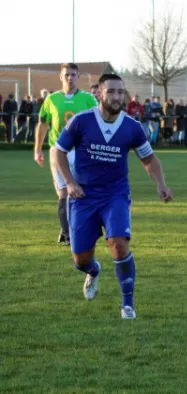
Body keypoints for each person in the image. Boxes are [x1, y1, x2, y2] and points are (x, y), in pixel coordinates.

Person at [51, 73, 173, 319]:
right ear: (100, 94)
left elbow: (148, 158)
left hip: (115, 194)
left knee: (118, 243)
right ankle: (93, 270)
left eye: (121, 92)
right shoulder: (81, 121)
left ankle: (128, 305)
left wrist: (161, 184)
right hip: (83, 196)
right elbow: (59, 152)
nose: (117, 97)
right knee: (80, 259)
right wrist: (71, 183)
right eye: (111, 92)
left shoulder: (132, 127)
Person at [33, 63, 98, 245]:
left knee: (81, 191)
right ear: (61, 77)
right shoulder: (51, 99)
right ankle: (67, 232)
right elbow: (43, 124)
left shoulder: (88, 99)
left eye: (73, 75)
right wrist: (37, 149)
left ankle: (77, 229)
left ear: (78, 77)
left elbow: (95, 124)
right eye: (67, 75)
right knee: (63, 193)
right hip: (58, 151)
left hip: (81, 152)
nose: (70, 78)